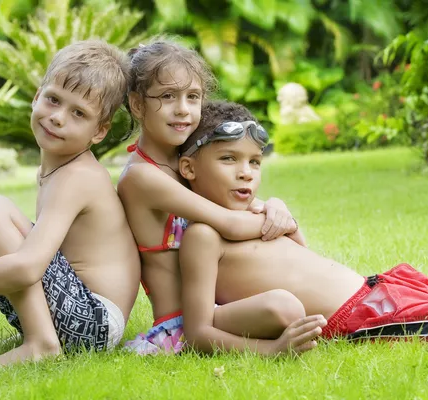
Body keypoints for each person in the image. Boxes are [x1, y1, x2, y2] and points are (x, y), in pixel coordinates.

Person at [178, 100, 428, 355]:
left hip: (381, 285)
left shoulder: (256, 209)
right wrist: (270, 349)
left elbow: (300, 251)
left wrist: (278, 209)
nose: (246, 173)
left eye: (254, 162)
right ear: (189, 168)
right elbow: (198, 331)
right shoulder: (203, 236)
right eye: (229, 159)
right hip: (363, 316)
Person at [0, 40, 141, 365]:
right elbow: (34, 263)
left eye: (78, 113)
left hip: (94, 322)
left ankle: (41, 343)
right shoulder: (56, 168)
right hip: (78, 313)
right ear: (37, 96)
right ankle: (38, 333)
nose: (57, 118)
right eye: (54, 100)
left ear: (99, 131)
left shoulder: (77, 177)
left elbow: (28, 267)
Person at [118, 40, 305, 355]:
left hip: (222, 306)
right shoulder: (142, 177)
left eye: (192, 97)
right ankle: (269, 348)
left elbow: (242, 206)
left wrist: (274, 206)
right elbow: (231, 224)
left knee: (297, 293)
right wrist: (278, 221)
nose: (183, 109)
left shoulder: (188, 167)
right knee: (284, 306)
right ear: (137, 105)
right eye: (167, 96)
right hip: (181, 325)